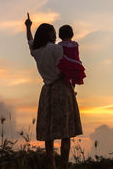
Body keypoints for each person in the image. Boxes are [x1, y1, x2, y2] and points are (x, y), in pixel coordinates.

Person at [25, 13, 82, 169]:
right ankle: (63, 166)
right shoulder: (57, 49)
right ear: (48, 34)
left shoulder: (36, 50)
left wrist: (28, 26)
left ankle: (51, 165)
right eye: (53, 32)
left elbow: (29, 41)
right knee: (65, 132)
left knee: (48, 134)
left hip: (46, 92)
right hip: (61, 89)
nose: (55, 35)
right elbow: (65, 69)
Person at [57, 25, 86, 90]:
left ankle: (67, 88)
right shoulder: (75, 44)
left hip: (66, 63)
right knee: (74, 77)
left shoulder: (60, 45)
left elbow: (60, 55)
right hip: (75, 63)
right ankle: (73, 89)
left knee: (64, 76)